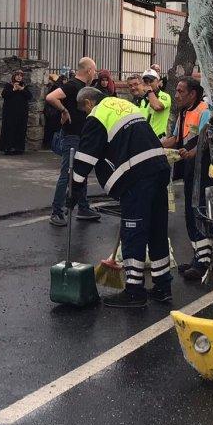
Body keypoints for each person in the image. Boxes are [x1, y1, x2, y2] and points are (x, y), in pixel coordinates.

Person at [70, 87, 171, 308]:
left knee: (133, 231)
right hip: (159, 167)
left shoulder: (98, 114)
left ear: (88, 103)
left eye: (84, 110)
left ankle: (134, 291)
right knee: (156, 229)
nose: (86, 115)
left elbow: (86, 157)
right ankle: (163, 287)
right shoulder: (127, 105)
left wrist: (74, 189)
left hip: (137, 175)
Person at [162, 76, 213, 280]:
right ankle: (197, 258)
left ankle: (203, 263)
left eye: (180, 91)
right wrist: (154, 144)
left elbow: (206, 140)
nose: (176, 95)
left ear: (193, 93)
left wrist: (191, 153)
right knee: (189, 214)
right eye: (176, 91)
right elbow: (175, 139)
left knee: (198, 211)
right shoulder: (184, 113)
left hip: (202, 170)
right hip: (189, 171)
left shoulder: (204, 111)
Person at [45, 56, 101, 227]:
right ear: (89, 70)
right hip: (72, 137)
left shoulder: (84, 88)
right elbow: (51, 97)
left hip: (82, 136)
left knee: (81, 171)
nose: (95, 73)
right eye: (95, 70)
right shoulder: (72, 85)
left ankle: (83, 208)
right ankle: (56, 211)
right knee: (67, 174)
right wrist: (64, 110)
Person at [0, 69, 32, 155]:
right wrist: (13, 89)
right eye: (17, 75)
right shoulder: (9, 85)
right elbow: (4, 95)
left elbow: (29, 96)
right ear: (14, 76)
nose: (19, 77)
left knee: (20, 129)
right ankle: (8, 148)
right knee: (9, 129)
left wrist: (21, 89)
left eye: (21, 76)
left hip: (21, 113)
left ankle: (18, 148)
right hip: (10, 112)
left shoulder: (24, 86)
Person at [131, 70, 171, 138]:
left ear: (158, 81)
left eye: (151, 81)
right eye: (146, 81)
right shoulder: (143, 99)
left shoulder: (164, 96)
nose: (149, 84)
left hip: (158, 138)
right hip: (144, 138)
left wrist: (149, 91)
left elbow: (157, 107)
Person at [41, 72, 63, 150]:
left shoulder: (53, 87)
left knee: (50, 130)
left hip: (52, 111)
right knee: (53, 130)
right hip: (54, 111)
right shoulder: (56, 87)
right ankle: (50, 144)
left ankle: (48, 144)